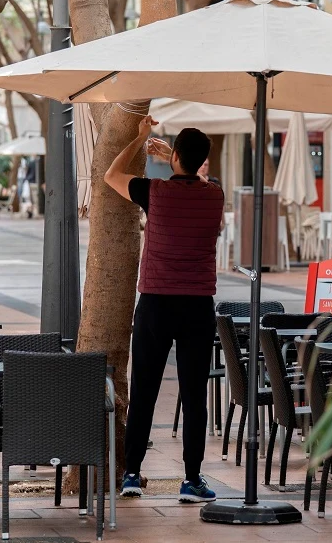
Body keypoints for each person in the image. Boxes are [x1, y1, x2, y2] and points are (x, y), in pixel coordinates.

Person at [104, 116, 223, 504]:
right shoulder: (215, 194)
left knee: (144, 393)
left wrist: (141, 139)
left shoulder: (153, 191)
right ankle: (191, 479)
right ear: (203, 160)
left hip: (155, 303)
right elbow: (200, 182)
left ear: (174, 156)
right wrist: (176, 158)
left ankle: (132, 474)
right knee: (194, 396)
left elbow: (110, 174)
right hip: (197, 308)